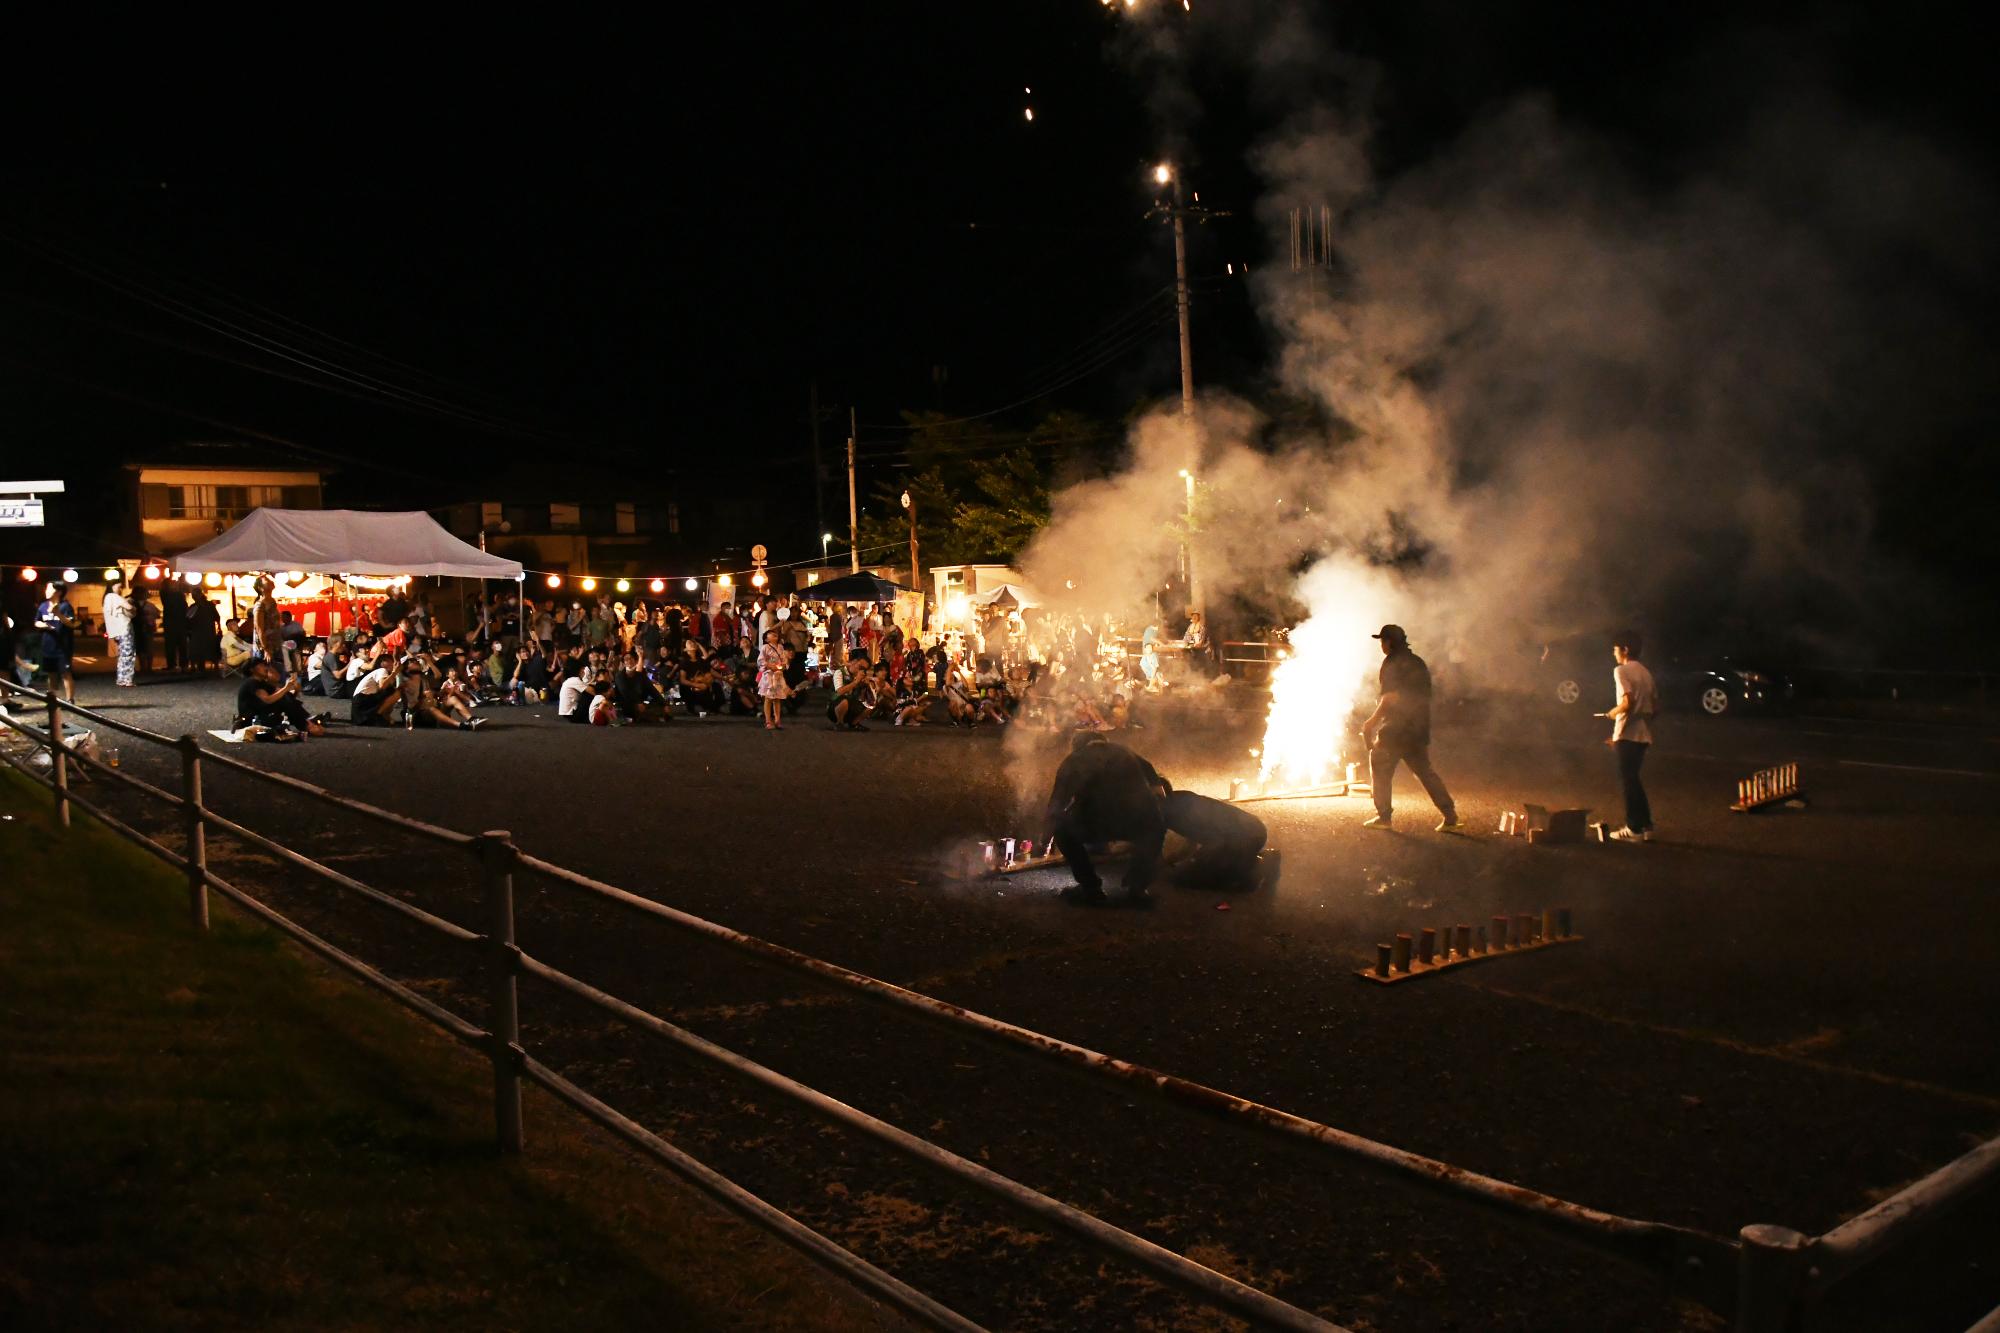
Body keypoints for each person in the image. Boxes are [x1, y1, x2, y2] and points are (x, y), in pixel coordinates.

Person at [1358, 624, 1462, 833]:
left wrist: (1371, 721)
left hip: (1395, 729)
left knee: (1379, 764)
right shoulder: (1418, 663)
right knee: (1425, 771)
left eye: (1382, 641)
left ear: (1389, 642)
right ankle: (1450, 815)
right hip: (1418, 727)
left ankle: (1384, 816)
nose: (1381, 645)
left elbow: (1391, 697)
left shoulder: (1392, 663)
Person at [1045, 732, 1168, 906]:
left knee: (1062, 831)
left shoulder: (1073, 760)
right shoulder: (1128, 753)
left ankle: (1091, 888)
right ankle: (1138, 888)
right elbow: (1159, 794)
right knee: (1154, 825)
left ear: (1078, 746)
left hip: (1096, 823)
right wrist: (1156, 821)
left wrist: (1044, 841)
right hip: (1138, 822)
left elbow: (1056, 806)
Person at [1599, 630, 1658, 842]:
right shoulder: (1646, 673)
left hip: (1627, 734)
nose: (1614, 653)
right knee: (1634, 779)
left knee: (1628, 781)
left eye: (1616, 649)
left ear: (1625, 650)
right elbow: (1654, 707)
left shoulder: (1621, 671)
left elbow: (1627, 702)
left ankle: (1633, 828)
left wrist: (1612, 714)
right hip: (1643, 736)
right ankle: (1646, 825)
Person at [1163, 790, 1274, 891]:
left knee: (1191, 879)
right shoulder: (1180, 799)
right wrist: (1175, 860)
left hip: (1249, 837)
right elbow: (1194, 837)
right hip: (1252, 830)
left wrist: (1196, 861)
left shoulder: (1173, 812)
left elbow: (1216, 842)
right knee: (1182, 875)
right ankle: (1248, 862)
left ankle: (1261, 865)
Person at [235, 659, 325, 738]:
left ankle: (307, 723)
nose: (266, 668)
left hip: (263, 713)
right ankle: (307, 724)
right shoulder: (251, 683)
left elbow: (285, 696)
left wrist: (295, 690)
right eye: (261, 666)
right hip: (252, 718)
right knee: (283, 700)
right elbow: (267, 700)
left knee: (285, 698)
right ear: (252, 670)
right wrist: (285, 688)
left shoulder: (262, 682)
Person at [33, 581, 76, 702]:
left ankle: (70, 700)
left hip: (63, 646)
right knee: (51, 673)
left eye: (49, 589)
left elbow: (71, 623)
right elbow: (36, 621)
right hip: (48, 644)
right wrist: (43, 625)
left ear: (59, 592)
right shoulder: (43, 606)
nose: (46, 591)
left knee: (65, 673)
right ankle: (53, 699)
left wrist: (57, 613)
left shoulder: (65, 606)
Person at [102, 579, 137, 688]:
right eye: (119, 586)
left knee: (122, 655)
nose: (120, 589)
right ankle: (127, 680)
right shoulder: (114, 596)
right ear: (112, 586)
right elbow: (129, 607)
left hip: (114, 630)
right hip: (124, 628)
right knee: (128, 654)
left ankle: (121, 678)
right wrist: (132, 605)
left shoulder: (106, 598)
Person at [350, 653, 401, 725]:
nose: (394, 664)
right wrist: (394, 672)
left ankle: (382, 716)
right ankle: (378, 715)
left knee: (391, 691)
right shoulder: (382, 670)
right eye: (391, 661)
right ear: (384, 662)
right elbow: (382, 686)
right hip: (362, 701)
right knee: (396, 692)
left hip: (360, 706)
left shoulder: (381, 673)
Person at [756, 628, 790, 731]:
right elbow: (761, 660)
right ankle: (768, 720)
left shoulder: (781, 647)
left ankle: (777, 719)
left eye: (775, 633)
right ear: (766, 639)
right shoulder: (765, 647)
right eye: (770, 634)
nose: (774, 634)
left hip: (778, 675)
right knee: (768, 698)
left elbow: (785, 660)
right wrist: (770, 666)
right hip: (769, 676)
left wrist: (783, 666)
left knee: (777, 698)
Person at [160, 578, 189, 673]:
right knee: (182, 645)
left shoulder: (166, 595)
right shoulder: (179, 595)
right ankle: (183, 665)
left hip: (170, 623)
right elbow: (185, 608)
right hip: (180, 622)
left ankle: (172, 665)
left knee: (170, 645)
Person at [188, 593, 223, 673]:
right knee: (210, 647)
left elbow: (188, 618)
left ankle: (200, 666)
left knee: (198, 648)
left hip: (199, 631)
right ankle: (215, 665)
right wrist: (219, 626)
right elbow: (217, 617)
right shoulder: (209, 605)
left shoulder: (194, 606)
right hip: (208, 630)